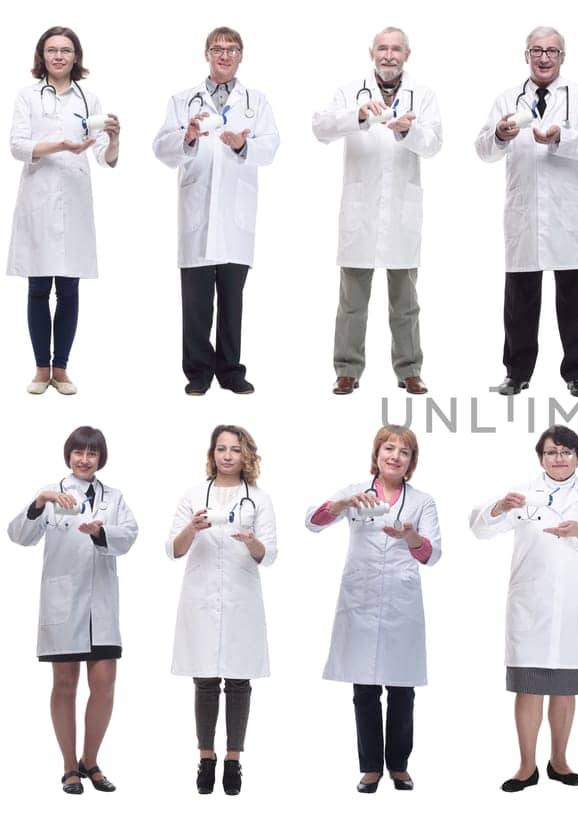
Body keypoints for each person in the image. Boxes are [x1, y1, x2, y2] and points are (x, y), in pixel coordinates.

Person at [470, 425, 578, 791]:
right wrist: (498, 507)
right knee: (529, 688)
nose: (559, 458)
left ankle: (559, 760)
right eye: (552, 452)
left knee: (565, 688)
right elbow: (480, 528)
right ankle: (526, 766)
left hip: (575, 607)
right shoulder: (522, 494)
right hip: (532, 608)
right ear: (540, 457)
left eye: (567, 452)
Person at [305, 425, 443, 792]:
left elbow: (432, 554)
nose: (395, 456)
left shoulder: (422, 501)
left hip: (402, 600)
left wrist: (411, 536)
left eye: (404, 452)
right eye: (389, 448)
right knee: (365, 688)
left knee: (402, 688)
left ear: (411, 462)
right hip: (361, 598)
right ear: (377, 454)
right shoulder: (355, 493)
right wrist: (342, 504)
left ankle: (398, 765)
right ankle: (370, 768)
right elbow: (312, 522)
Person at [475, 27, 578, 399]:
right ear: (526, 56)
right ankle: (516, 373)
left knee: (574, 302)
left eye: (552, 51)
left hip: (568, 216)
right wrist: (501, 135)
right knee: (520, 301)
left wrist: (561, 138)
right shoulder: (507, 98)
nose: (544, 57)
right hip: (524, 214)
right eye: (537, 50)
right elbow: (483, 150)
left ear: (563, 57)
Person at [6, 426, 138, 794]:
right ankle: (68, 767)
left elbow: (129, 535)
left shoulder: (114, 497)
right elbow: (19, 536)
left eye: (91, 454)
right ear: (68, 456)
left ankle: (90, 761)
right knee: (64, 686)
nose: (84, 459)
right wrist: (37, 503)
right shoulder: (51, 494)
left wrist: (100, 531)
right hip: (63, 605)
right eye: (78, 452)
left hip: (101, 608)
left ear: (100, 458)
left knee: (105, 686)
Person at [312, 27, 442, 396]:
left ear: (407, 55)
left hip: (402, 211)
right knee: (351, 302)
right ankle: (347, 370)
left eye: (396, 49)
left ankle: (409, 369)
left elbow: (433, 144)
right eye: (383, 48)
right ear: (371, 52)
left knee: (406, 302)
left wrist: (406, 132)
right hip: (361, 211)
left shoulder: (424, 95)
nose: (389, 55)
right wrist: (358, 115)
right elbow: (320, 127)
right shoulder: (351, 91)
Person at [152, 27, 280, 396]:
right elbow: (161, 149)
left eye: (232, 49)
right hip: (197, 212)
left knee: (232, 300)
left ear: (241, 56)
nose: (224, 55)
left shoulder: (255, 101)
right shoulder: (182, 100)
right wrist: (187, 138)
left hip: (236, 214)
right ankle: (197, 372)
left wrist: (243, 145)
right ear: (206, 54)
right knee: (195, 302)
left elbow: (270, 148)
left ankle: (230, 370)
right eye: (217, 49)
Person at [8, 26, 121, 396]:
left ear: (77, 57)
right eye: (52, 50)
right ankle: (42, 370)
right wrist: (57, 145)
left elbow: (105, 158)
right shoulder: (27, 96)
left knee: (69, 288)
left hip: (73, 199)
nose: (59, 56)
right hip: (38, 199)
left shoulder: (89, 99)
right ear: (42, 56)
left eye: (66, 50)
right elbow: (17, 145)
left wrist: (114, 140)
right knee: (39, 286)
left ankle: (63, 368)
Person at [167, 424, 278, 795]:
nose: (227, 455)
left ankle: (233, 761)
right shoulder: (194, 494)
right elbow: (173, 549)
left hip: (241, 596)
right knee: (205, 680)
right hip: (200, 597)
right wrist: (193, 528)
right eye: (221, 449)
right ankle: (205, 758)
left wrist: (251, 541)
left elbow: (270, 555)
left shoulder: (259, 499)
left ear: (246, 454)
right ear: (212, 454)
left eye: (234, 449)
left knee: (239, 680)